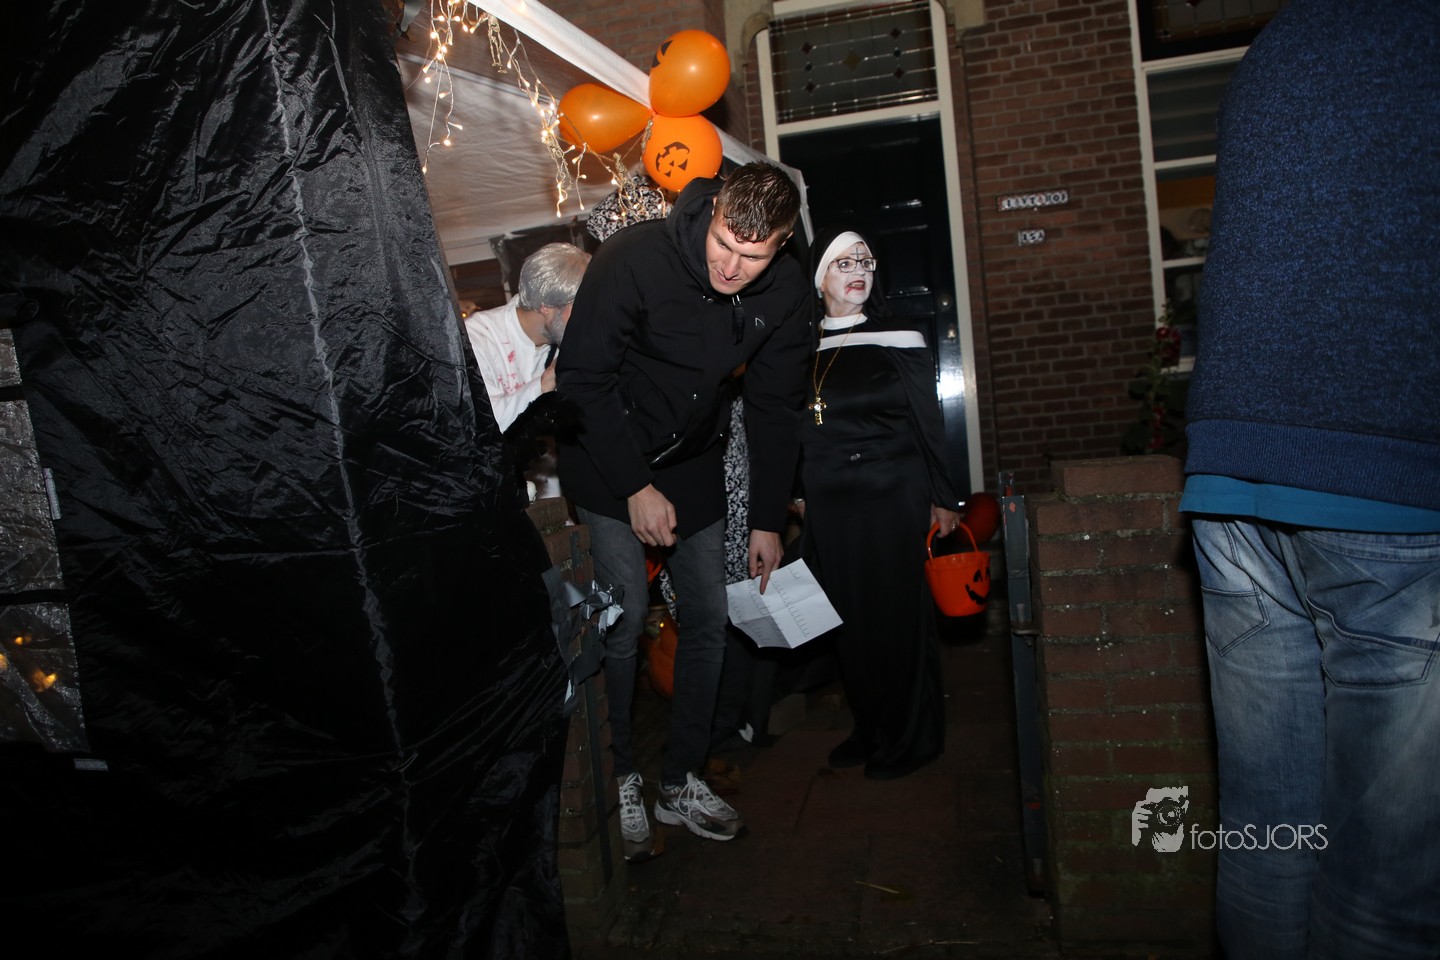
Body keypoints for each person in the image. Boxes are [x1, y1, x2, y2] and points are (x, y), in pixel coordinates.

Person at [1179, 3, 1440, 958]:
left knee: (1268, 835)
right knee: (1385, 883)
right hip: (1387, 481)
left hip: (1233, 475)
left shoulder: (1282, 41)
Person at [556, 162, 812, 860]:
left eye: (752, 256)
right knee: (625, 616)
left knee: (708, 617)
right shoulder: (635, 257)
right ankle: (621, 776)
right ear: (717, 210)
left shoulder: (786, 289)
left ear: (783, 243)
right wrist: (634, 486)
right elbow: (582, 379)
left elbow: (775, 406)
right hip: (608, 455)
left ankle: (682, 779)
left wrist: (766, 519)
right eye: (724, 242)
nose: (730, 265)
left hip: (695, 459)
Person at [796, 226, 963, 781]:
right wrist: (796, 491)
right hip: (831, 503)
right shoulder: (800, 348)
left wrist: (944, 496)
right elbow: (792, 427)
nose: (858, 272)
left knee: (898, 619)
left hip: (893, 494)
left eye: (865, 261)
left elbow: (928, 421)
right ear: (820, 278)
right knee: (849, 621)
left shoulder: (899, 335)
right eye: (843, 263)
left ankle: (912, 737)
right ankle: (871, 727)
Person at [462, 241, 590, 432]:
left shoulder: (563, 338)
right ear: (546, 306)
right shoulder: (477, 338)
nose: (586, 317)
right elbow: (484, 426)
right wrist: (546, 381)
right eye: (579, 307)